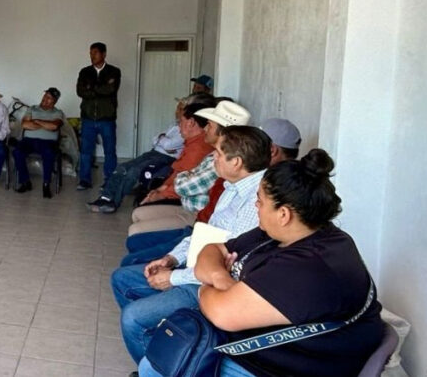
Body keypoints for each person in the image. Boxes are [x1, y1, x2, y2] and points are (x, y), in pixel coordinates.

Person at [139, 149, 385, 377]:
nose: (255, 206)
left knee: (156, 365)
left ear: (284, 214)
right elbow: (211, 249)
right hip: (257, 346)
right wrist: (221, 278)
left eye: (260, 201)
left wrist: (206, 285)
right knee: (163, 346)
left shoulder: (310, 266)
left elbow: (221, 313)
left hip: (277, 367)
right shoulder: (286, 233)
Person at [112, 126, 271, 364]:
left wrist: (173, 277)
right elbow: (205, 234)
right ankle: (164, 350)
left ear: (236, 162)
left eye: (218, 152)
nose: (213, 156)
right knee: (122, 278)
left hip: (210, 286)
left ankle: (163, 366)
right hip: (198, 267)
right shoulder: (233, 187)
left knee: (132, 318)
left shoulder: (255, 201)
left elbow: (224, 267)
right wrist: (171, 259)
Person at [119, 118, 300, 267]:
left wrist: (175, 274)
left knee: (133, 260)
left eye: (210, 125)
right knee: (136, 243)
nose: (205, 128)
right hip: (203, 234)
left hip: (208, 246)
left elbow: (229, 250)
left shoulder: (261, 188)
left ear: (271, 150)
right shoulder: (235, 179)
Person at [128, 100, 250, 236]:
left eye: (209, 125)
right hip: (188, 204)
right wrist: (168, 185)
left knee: (137, 227)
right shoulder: (213, 153)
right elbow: (184, 177)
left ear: (222, 132)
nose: (205, 129)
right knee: (139, 211)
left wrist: (163, 191)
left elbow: (182, 185)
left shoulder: (219, 158)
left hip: (194, 211)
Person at [87, 93, 213, 213]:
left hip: (165, 157)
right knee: (122, 167)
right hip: (155, 152)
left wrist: (161, 193)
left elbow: (168, 146)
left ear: (191, 121)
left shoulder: (195, 141)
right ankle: (106, 197)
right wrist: (162, 140)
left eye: (181, 107)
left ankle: (113, 202)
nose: (178, 110)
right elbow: (156, 140)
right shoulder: (178, 126)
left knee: (133, 171)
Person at [76, 41, 121, 191]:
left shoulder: (114, 71)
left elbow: (111, 89)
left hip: (107, 118)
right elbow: (80, 91)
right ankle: (84, 180)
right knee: (85, 151)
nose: (92, 56)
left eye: (95, 53)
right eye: (90, 53)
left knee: (110, 151)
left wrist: (91, 88)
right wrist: (101, 88)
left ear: (104, 54)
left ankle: (109, 181)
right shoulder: (85, 72)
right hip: (88, 118)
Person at [12, 87, 65, 198]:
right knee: (17, 152)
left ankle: (46, 184)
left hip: (48, 142)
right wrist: (46, 124)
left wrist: (36, 121)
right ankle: (25, 182)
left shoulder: (58, 112)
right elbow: (25, 124)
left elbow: (54, 126)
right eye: (45, 95)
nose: (45, 99)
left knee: (49, 153)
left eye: (49, 98)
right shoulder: (32, 109)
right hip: (28, 141)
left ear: (55, 101)